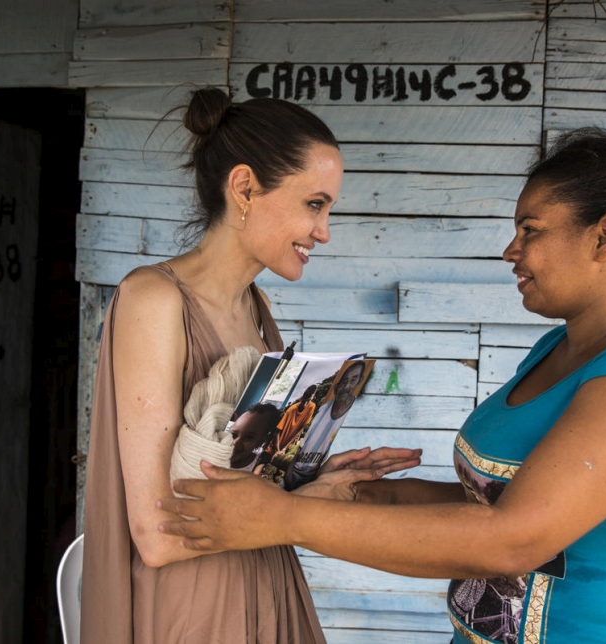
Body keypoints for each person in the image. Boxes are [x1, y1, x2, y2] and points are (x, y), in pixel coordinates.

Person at [157, 127, 606, 643]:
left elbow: (513, 538)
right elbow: (497, 499)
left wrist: (282, 519)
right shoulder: (561, 349)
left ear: (605, 237)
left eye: (532, 230)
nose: (511, 250)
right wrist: (365, 494)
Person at [79, 85, 422, 644]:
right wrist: (303, 508)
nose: (324, 231)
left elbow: (246, 483)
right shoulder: (154, 299)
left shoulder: (256, 309)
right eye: (314, 204)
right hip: (195, 604)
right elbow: (158, 533)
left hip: (264, 579)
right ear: (244, 187)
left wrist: (324, 480)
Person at [283, 360, 368, 490]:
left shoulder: (356, 413)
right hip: (294, 474)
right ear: (336, 386)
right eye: (344, 381)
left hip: (319, 481)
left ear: (360, 381)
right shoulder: (322, 409)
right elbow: (301, 445)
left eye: (353, 380)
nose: (346, 387)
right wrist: (289, 470)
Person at [265, 383, 318, 461]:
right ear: (302, 398)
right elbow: (277, 432)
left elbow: (300, 429)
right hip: (275, 445)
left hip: (287, 446)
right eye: (304, 401)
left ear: (312, 398)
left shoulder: (312, 407)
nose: (306, 404)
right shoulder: (291, 410)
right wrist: (277, 450)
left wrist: (284, 449)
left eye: (309, 401)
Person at [228, 403, 282, 472]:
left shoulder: (258, 468)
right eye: (233, 434)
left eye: (248, 437)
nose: (235, 442)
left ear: (261, 441)